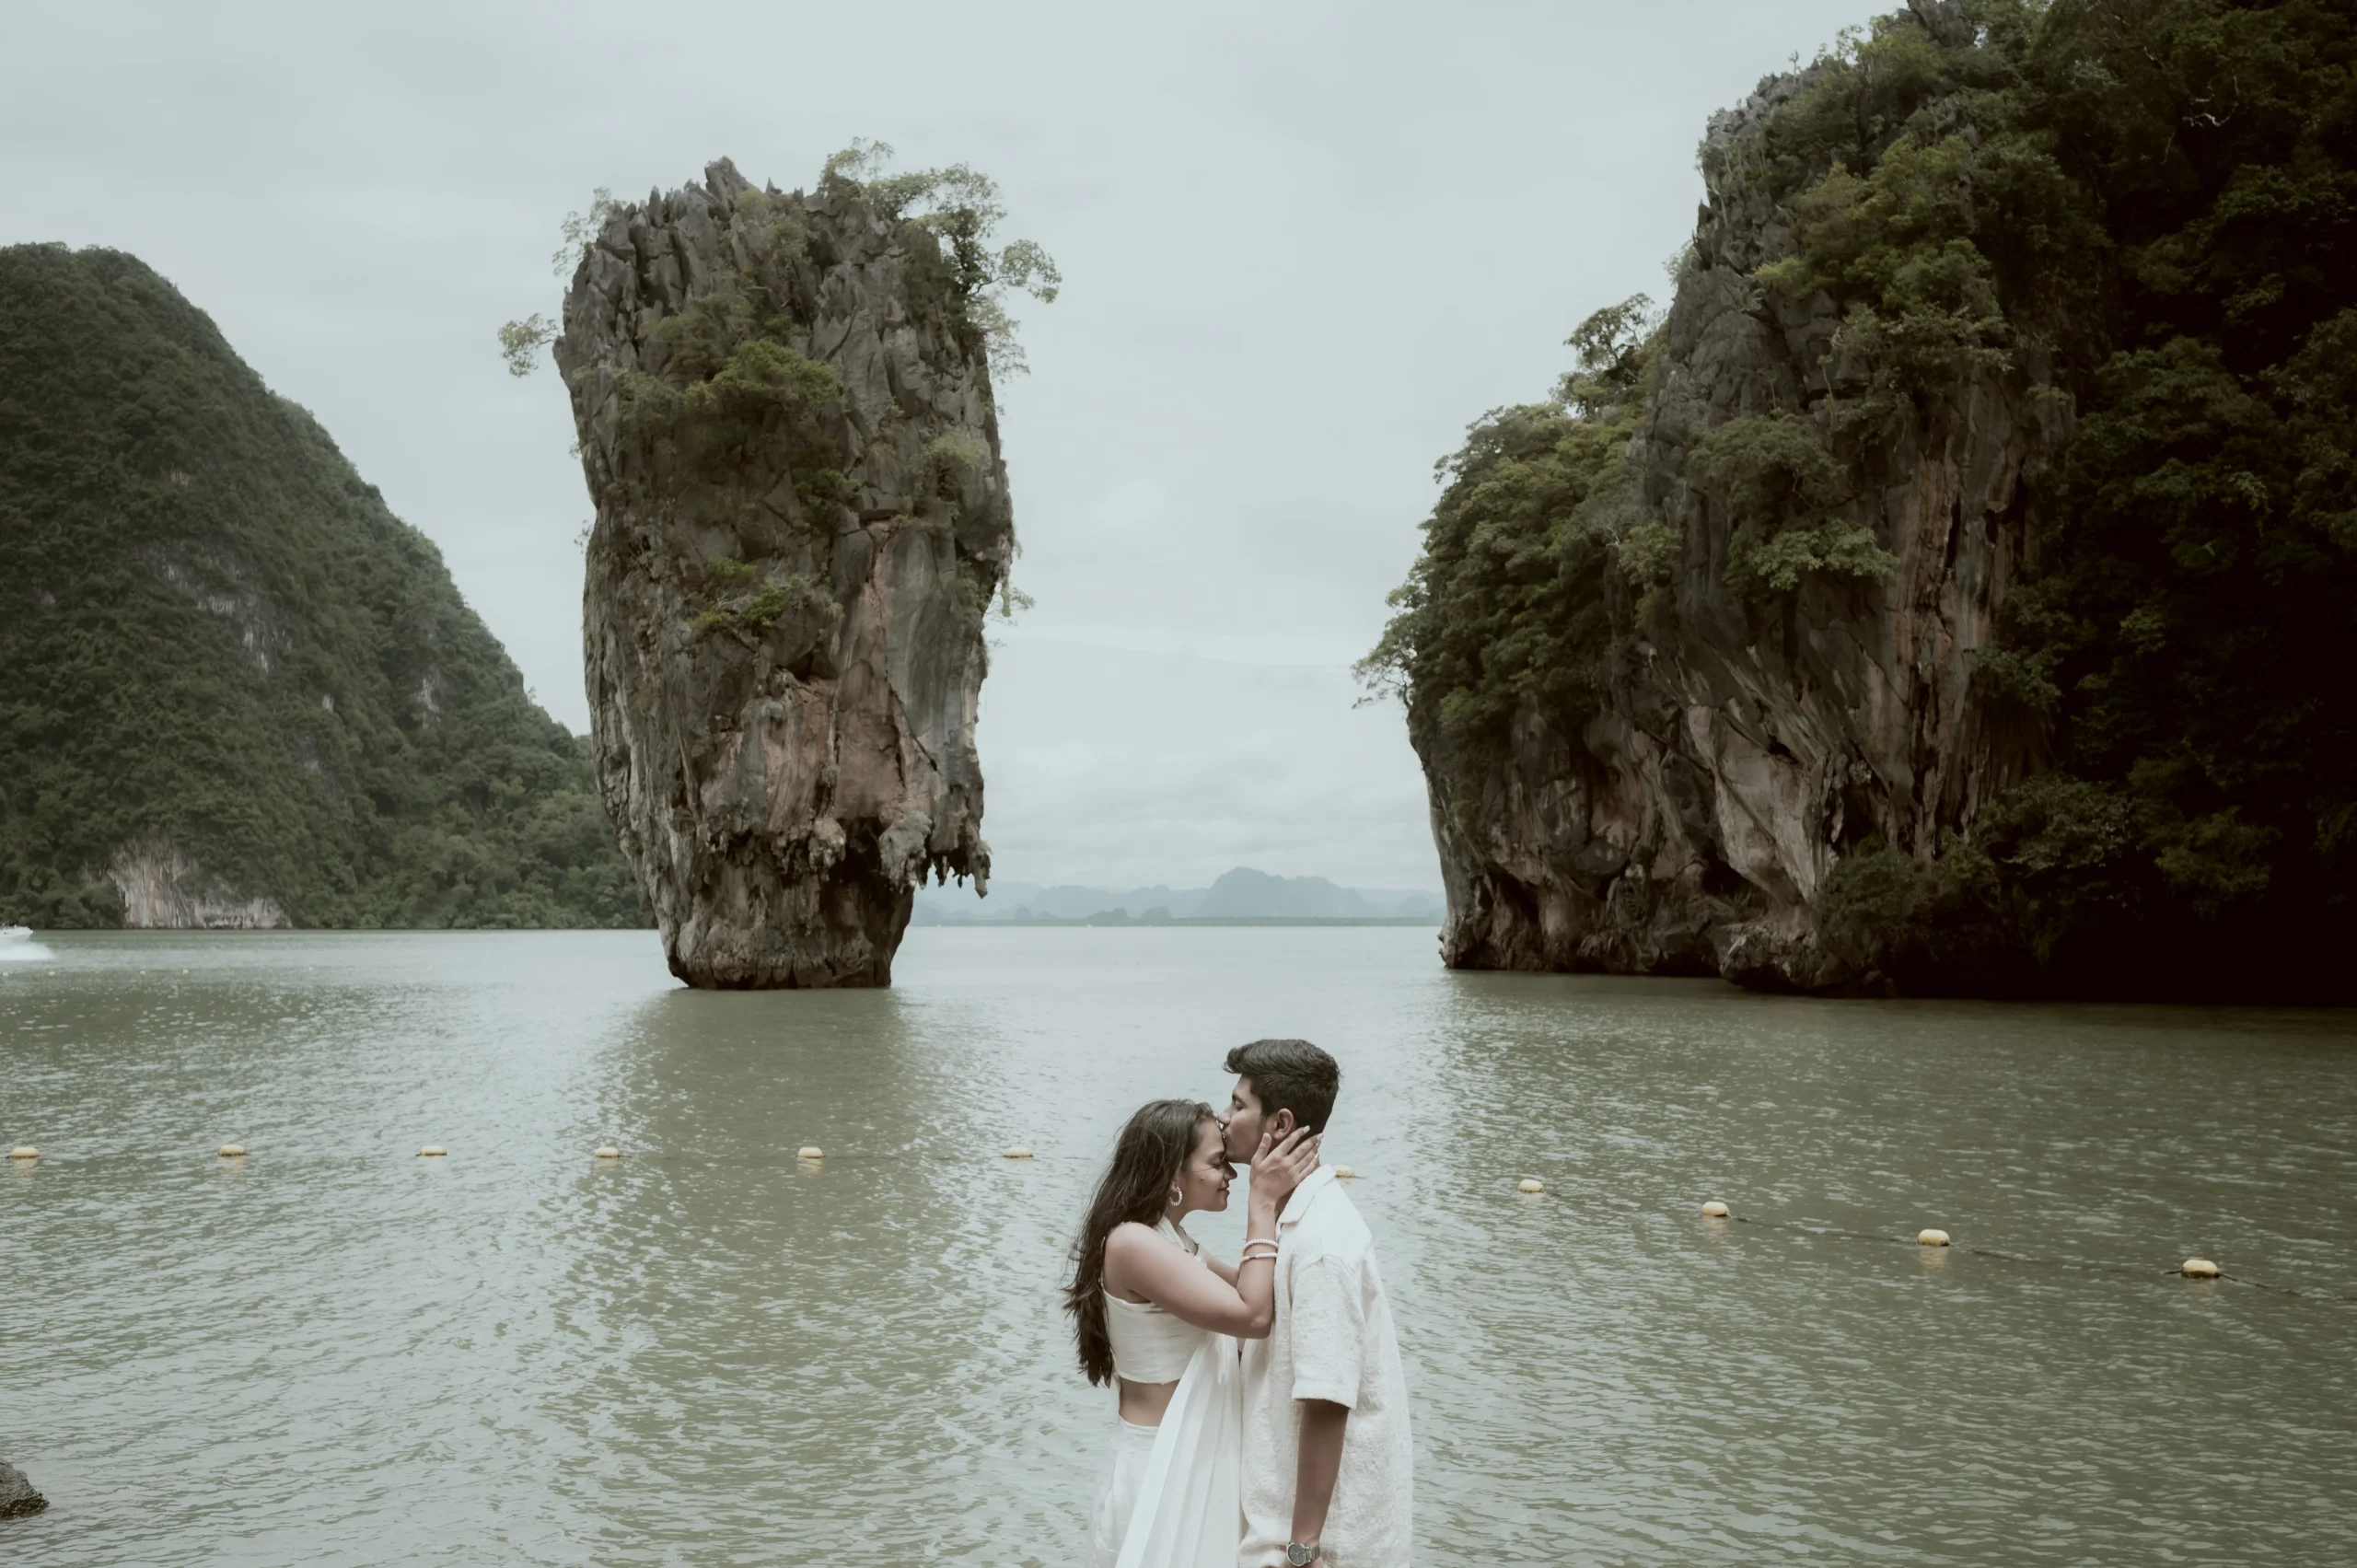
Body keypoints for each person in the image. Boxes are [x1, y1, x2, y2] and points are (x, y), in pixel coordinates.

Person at [1065, 1098, 1320, 1568]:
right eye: (1217, 1162)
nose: (1232, 1174)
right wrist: (1262, 1203)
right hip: (1161, 1467)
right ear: (1171, 1178)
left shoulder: (1173, 1242)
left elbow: (1258, 1292)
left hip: (1194, 1455)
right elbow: (1252, 1317)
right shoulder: (1132, 1243)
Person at [1221, 1040, 1412, 1568]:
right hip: (1287, 1530)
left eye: (1238, 1105)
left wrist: (1303, 1550)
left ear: (1279, 1124)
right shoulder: (1297, 1220)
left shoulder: (1322, 1243)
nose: (1223, 1118)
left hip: (1321, 1547)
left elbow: (1327, 1400)